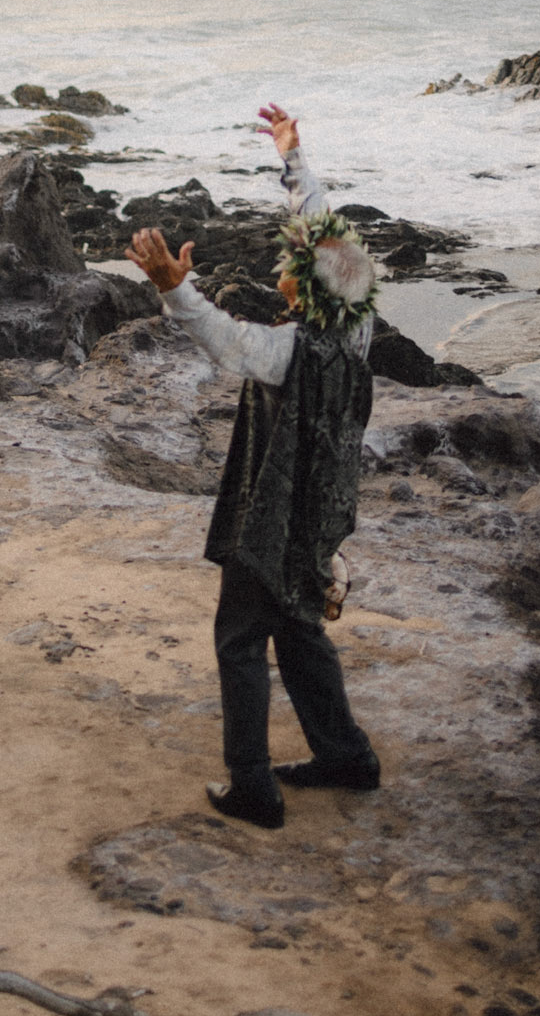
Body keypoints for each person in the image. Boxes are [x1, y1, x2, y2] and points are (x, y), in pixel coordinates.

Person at [127, 104, 381, 830]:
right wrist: (292, 157)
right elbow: (323, 229)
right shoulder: (357, 330)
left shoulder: (286, 351)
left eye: (291, 270)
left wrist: (172, 286)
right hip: (322, 516)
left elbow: (222, 338)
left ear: (309, 289)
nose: (281, 272)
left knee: (240, 639)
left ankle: (252, 788)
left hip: (272, 519)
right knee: (298, 631)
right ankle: (346, 757)